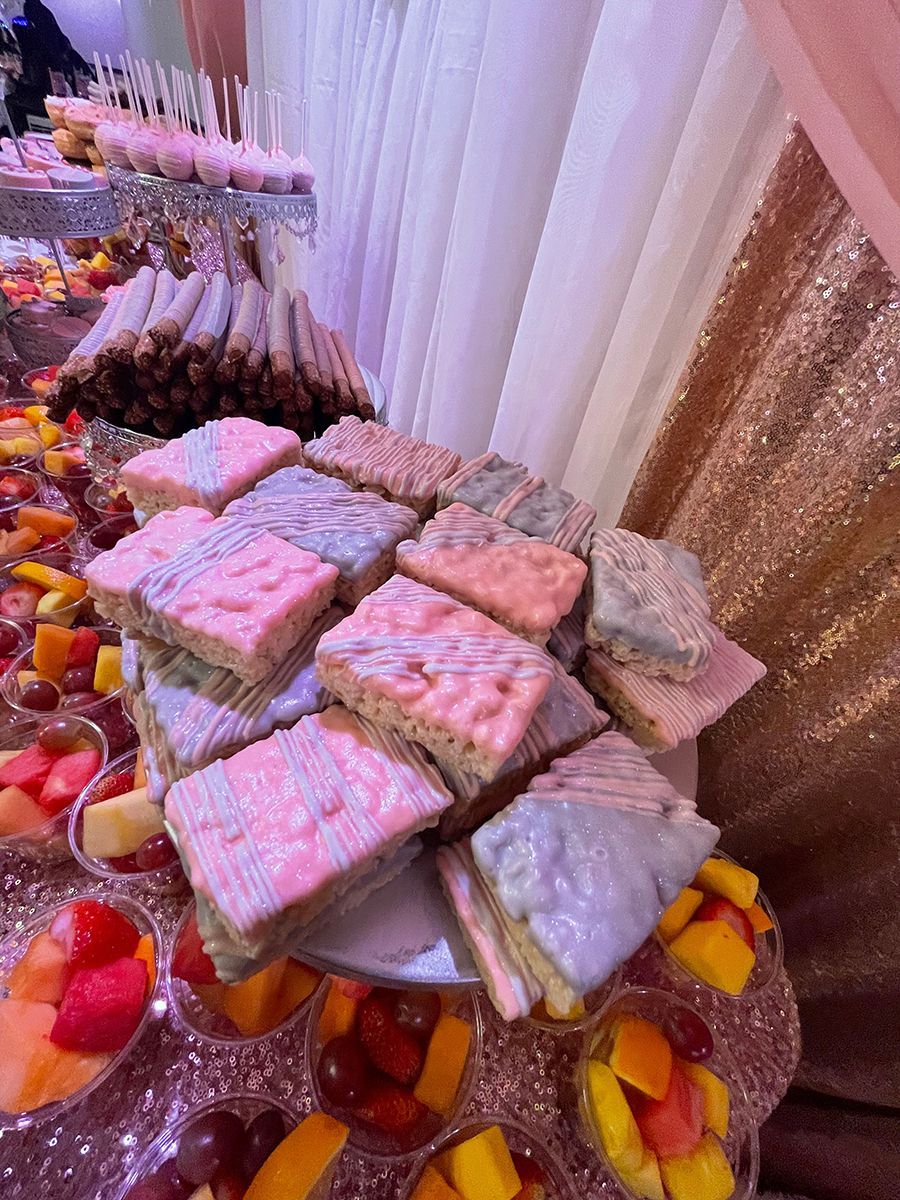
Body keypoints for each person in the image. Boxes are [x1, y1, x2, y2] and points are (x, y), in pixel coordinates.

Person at [7, 0, 88, 133]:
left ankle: (22, 139)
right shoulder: (59, 42)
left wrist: (14, 76)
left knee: (11, 99)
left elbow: (34, 81)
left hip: (50, 100)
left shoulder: (36, 50)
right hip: (64, 94)